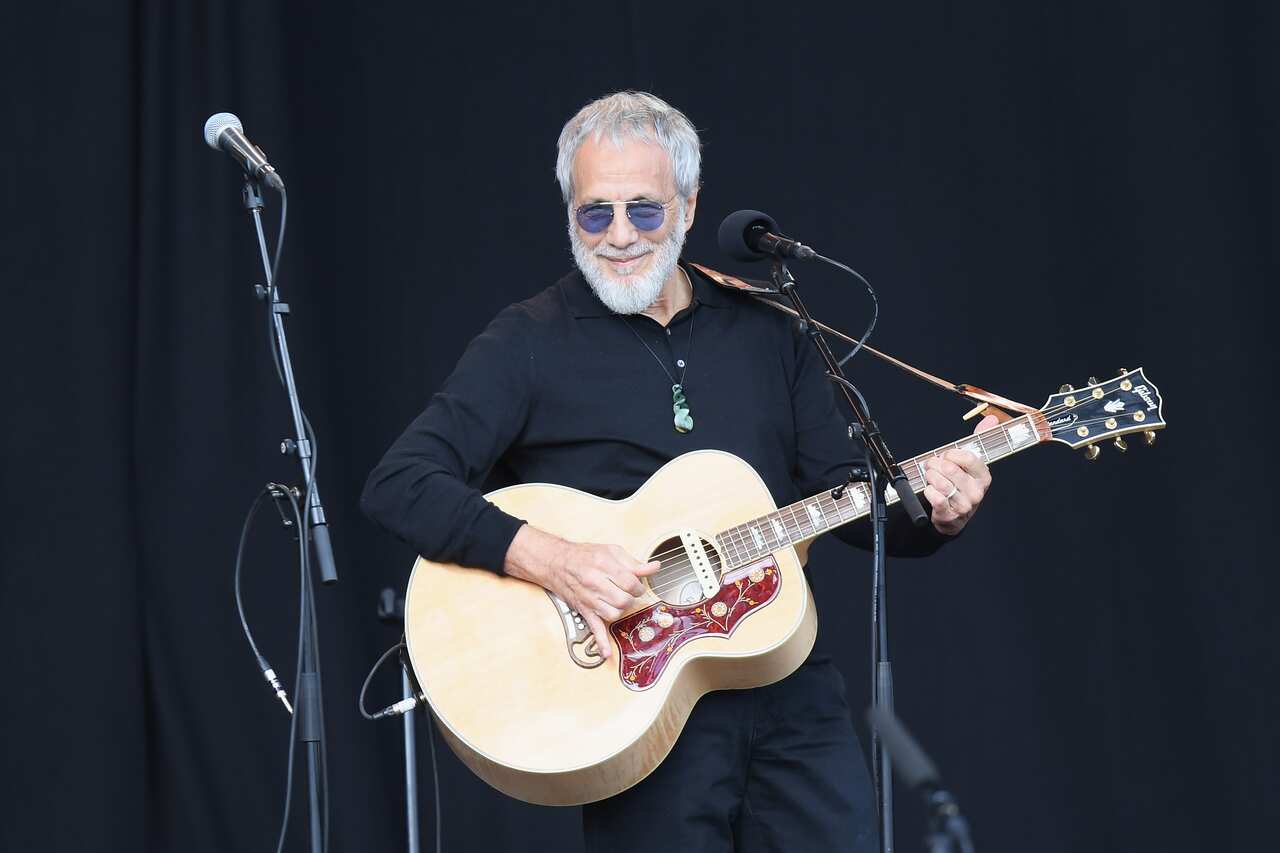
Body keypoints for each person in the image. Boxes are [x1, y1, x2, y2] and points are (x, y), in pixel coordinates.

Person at [361, 90, 994, 853]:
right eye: (595, 213)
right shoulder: (527, 341)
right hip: (640, 707)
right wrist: (554, 558)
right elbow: (399, 481)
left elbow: (847, 495)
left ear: (689, 208)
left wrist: (935, 511)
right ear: (570, 214)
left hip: (788, 694)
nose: (620, 235)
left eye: (644, 210)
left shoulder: (770, 328)